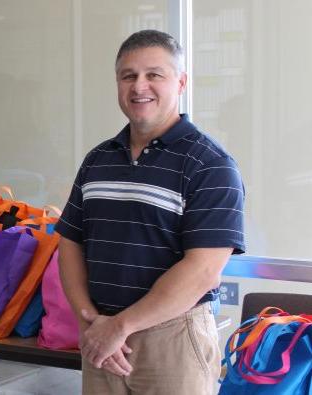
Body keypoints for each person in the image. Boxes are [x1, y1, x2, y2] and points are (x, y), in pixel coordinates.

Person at [55, 30, 244, 394]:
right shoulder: (98, 159)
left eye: (154, 74)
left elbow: (203, 270)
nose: (139, 85)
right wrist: (88, 322)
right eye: (128, 75)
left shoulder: (210, 164)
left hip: (172, 339)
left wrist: (120, 327)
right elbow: (70, 243)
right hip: (101, 335)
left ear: (181, 82)